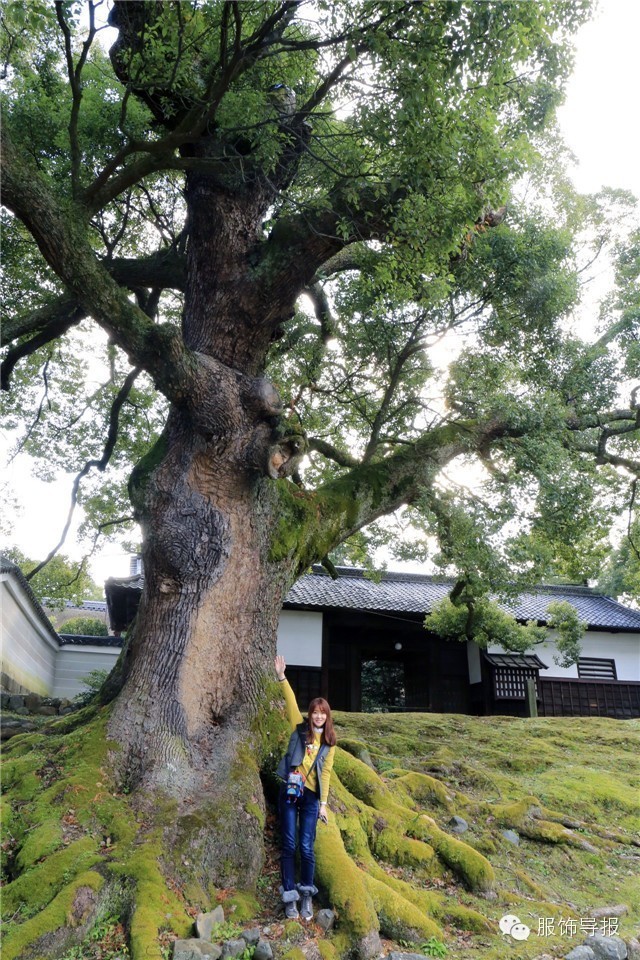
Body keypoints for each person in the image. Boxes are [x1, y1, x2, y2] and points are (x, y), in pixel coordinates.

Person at [274, 655, 336, 921]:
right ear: (310, 714)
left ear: (327, 716)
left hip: (311, 798)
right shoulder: (300, 730)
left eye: (323, 713)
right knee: (289, 844)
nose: (318, 716)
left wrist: (323, 804)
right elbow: (291, 704)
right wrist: (282, 677)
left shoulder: (329, 744)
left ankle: (307, 895)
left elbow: (327, 773)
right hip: (291, 792)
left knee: (307, 846)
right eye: (315, 712)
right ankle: (290, 897)